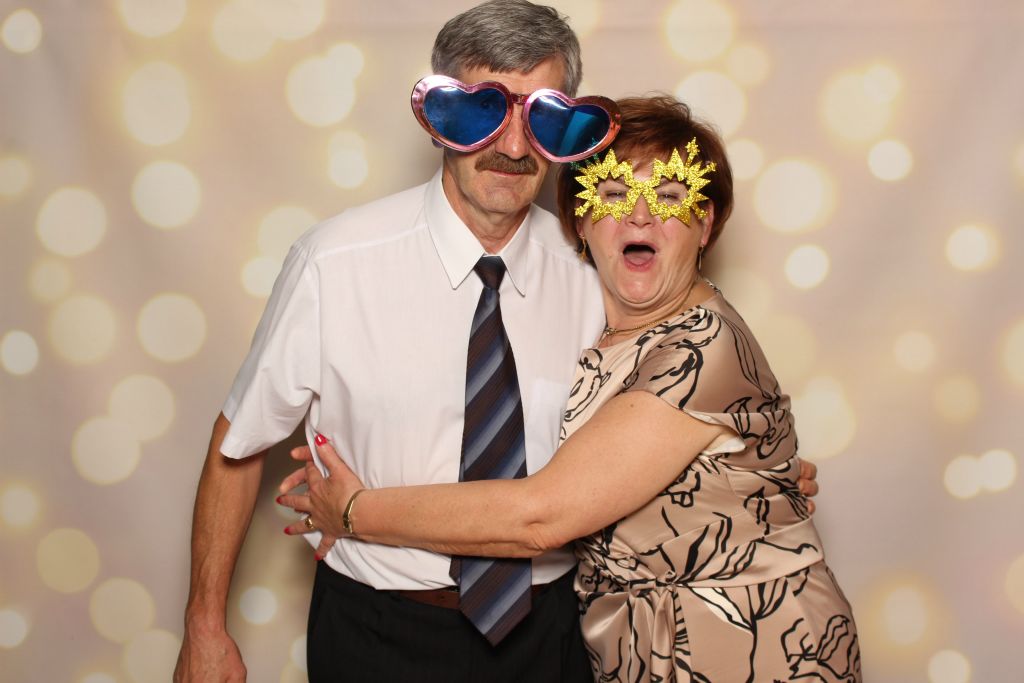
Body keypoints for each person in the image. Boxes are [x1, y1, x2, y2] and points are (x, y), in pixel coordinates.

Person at [174, 1, 818, 680]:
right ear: (439, 118)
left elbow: (670, 406)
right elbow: (238, 444)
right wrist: (204, 626)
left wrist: (746, 475)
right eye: (485, 111)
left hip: (554, 631)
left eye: (539, 118)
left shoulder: (595, 270)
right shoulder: (334, 264)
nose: (512, 148)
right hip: (377, 629)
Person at [278, 95, 859, 682]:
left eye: (669, 196)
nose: (640, 217)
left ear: (705, 223)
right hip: (635, 652)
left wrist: (352, 510)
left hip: (753, 649)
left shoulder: (702, 348)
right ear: (580, 221)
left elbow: (541, 517)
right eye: (614, 193)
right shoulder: (590, 323)